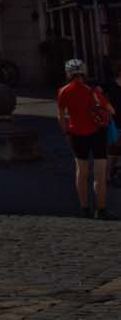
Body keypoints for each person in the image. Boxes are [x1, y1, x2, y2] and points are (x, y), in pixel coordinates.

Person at [56, 54, 114, 218]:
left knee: (81, 171)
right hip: (97, 133)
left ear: (68, 74)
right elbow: (111, 110)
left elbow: (60, 116)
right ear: (84, 73)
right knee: (99, 173)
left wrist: (66, 132)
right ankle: (101, 210)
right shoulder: (93, 91)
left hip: (76, 133)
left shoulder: (63, 91)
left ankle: (84, 209)